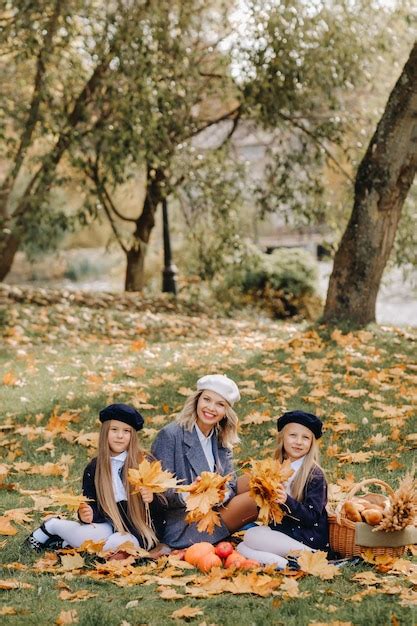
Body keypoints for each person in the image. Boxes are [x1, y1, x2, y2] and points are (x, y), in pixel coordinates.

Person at [24, 403, 166, 556]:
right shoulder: (94, 468)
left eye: (126, 431)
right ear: (105, 432)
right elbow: (92, 505)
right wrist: (87, 515)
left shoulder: (143, 462)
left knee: (115, 546)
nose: (120, 436)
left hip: (140, 529)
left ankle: (66, 543)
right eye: (114, 430)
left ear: (133, 436)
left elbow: (164, 507)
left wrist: (152, 499)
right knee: (88, 537)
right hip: (108, 524)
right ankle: (52, 526)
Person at [151, 374, 258, 548]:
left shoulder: (220, 438)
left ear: (226, 412)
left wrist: (222, 493)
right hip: (183, 522)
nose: (211, 408)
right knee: (254, 499)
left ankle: (287, 531)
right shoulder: (171, 435)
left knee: (259, 482)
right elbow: (159, 493)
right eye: (207, 399)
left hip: (215, 508)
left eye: (220, 404)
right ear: (196, 400)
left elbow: (229, 483)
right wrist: (192, 492)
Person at [237, 410, 329, 569]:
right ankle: (287, 564)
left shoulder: (314, 475)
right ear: (282, 438)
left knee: (252, 536)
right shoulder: (275, 470)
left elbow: (312, 517)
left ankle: (309, 557)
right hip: (284, 534)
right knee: (241, 547)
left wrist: (287, 501)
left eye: (305, 437)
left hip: (306, 540)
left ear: (312, 443)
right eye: (293, 435)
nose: (299, 442)